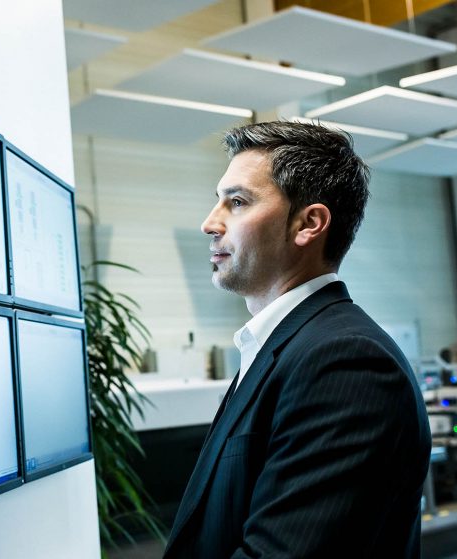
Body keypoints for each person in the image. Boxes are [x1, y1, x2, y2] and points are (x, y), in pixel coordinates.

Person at [163, 121, 431, 558]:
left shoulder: (345, 362)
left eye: (237, 202)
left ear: (309, 224)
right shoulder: (282, 347)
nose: (209, 223)